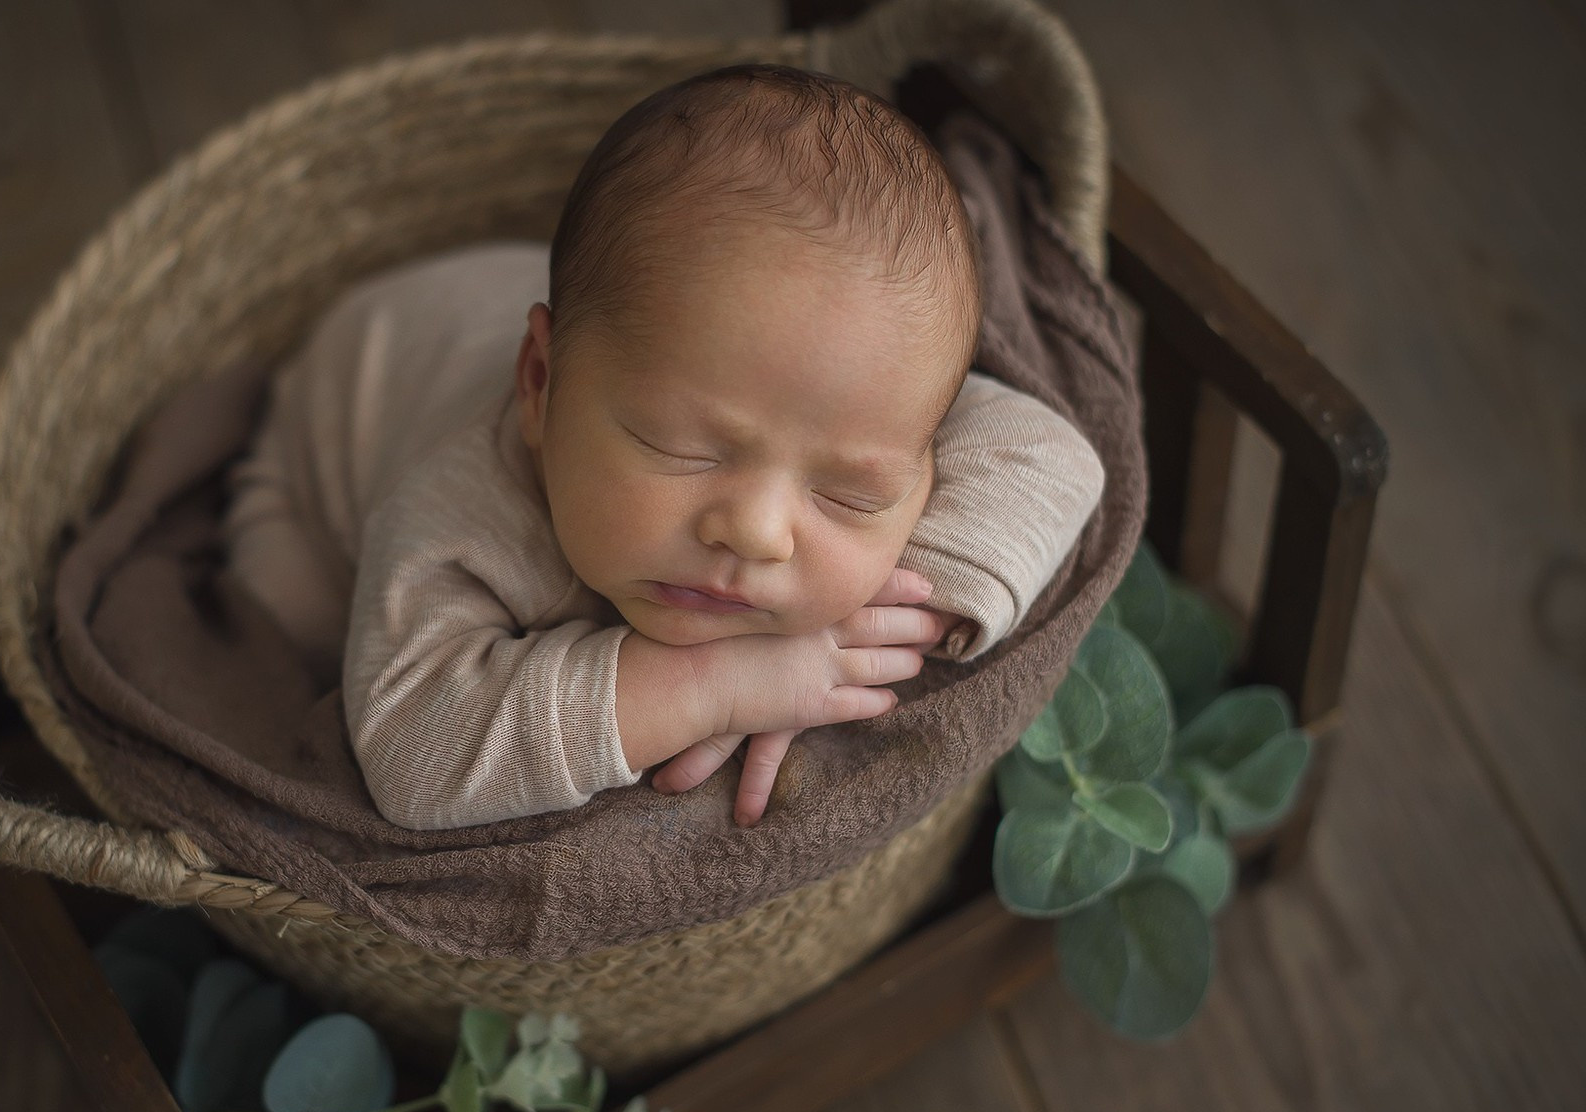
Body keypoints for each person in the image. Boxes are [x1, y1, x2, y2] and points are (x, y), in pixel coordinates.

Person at [223, 64, 1104, 831]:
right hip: (325, 436)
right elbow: (412, 751)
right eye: (681, 448)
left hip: (576, 320)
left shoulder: (857, 385)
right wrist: (711, 684)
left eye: (849, 495)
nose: (756, 533)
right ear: (541, 385)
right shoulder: (460, 509)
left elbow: (1058, 457)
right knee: (291, 628)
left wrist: (868, 626)